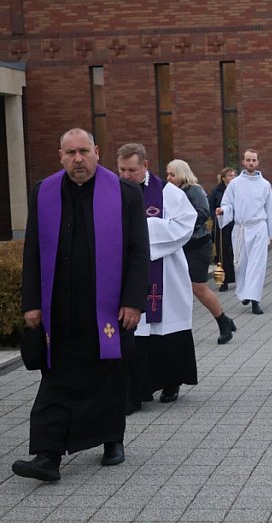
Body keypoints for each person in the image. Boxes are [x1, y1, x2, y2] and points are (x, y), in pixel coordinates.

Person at [14, 128, 149, 482]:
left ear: (97, 152)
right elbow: (32, 251)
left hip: (108, 309)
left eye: (84, 151)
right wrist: (32, 302)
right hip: (59, 309)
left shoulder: (125, 193)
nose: (78, 159)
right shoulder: (43, 193)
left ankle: (111, 439)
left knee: (107, 377)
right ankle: (46, 456)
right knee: (55, 380)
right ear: (60, 155)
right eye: (70, 153)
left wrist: (133, 301)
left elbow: (139, 252)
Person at [116, 143, 198, 411]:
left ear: (146, 166)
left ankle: (171, 382)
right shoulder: (112, 192)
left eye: (133, 170)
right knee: (136, 332)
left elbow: (186, 224)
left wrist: (142, 230)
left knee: (166, 329)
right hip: (128, 272)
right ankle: (137, 389)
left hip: (165, 269)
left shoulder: (168, 193)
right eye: (122, 170)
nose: (127, 176)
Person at [167, 159, 236, 345]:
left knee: (199, 288)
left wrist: (179, 222)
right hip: (182, 246)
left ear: (182, 173)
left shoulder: (194, 190)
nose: (169, 178)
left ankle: (223, 322)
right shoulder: (173, 192)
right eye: (168, 174)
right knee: (182, 288)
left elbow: (203, 213)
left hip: (198, 245)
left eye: (172, 174)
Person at [217, 149, 272, 315]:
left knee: (256, 265)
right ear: (243, 162)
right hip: (241, 228)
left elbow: (269, 209)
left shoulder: (265, 185)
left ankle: (255, 300)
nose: (251, 163)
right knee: (242, 264)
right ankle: (245, 292)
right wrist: (223, 211)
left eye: (254, 160)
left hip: (258, 227)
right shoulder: (235, 184)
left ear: (258, 162)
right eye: (248, 160)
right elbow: (228, 203)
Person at [208, 167, 237, 292]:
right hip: (221, 227)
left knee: (236, 253)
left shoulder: (238, 189)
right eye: (230, 175)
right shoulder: (217, 191)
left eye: (234, 175)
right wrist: (217, 217)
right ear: (224, 178)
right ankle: (224, 281)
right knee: (222, 254)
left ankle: (240, 278)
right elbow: (211, 207)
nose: (232, 178)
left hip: (236, 225)